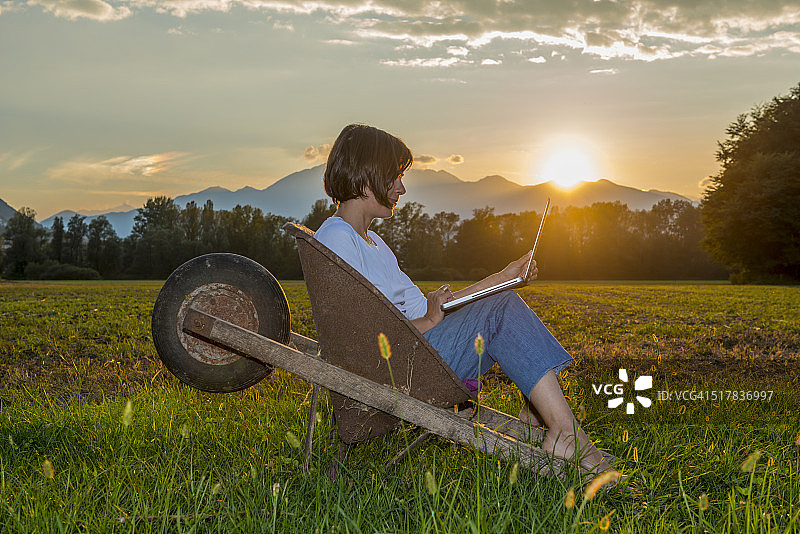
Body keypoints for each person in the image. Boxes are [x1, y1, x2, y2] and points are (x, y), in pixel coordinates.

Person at [313, 123, 612, 475]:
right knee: (500, 310)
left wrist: (504, 278)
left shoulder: (375, 244)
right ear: (366, 177)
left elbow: (434, 311)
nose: (402, 188)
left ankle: (545, 418)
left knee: (501, 302)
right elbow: (358, 333)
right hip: (403, 371)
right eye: (393, 176)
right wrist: (427, 320)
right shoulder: (336, 238)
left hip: (417, 354)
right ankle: (562, 431)